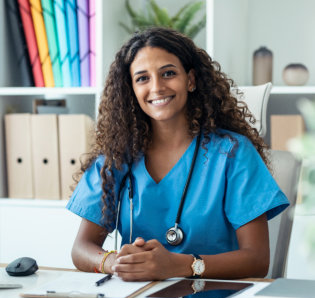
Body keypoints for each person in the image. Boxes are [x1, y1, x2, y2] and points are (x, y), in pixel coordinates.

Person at [67, 27, 289, 281]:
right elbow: (81, 249)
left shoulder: (232, 153)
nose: (157, 87)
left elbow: (257, 260)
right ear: (131, 89)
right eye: (142, 78)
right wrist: (115, 263)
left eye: (168, 73)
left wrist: (178, 265)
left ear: (190, 80)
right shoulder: (115, 158)